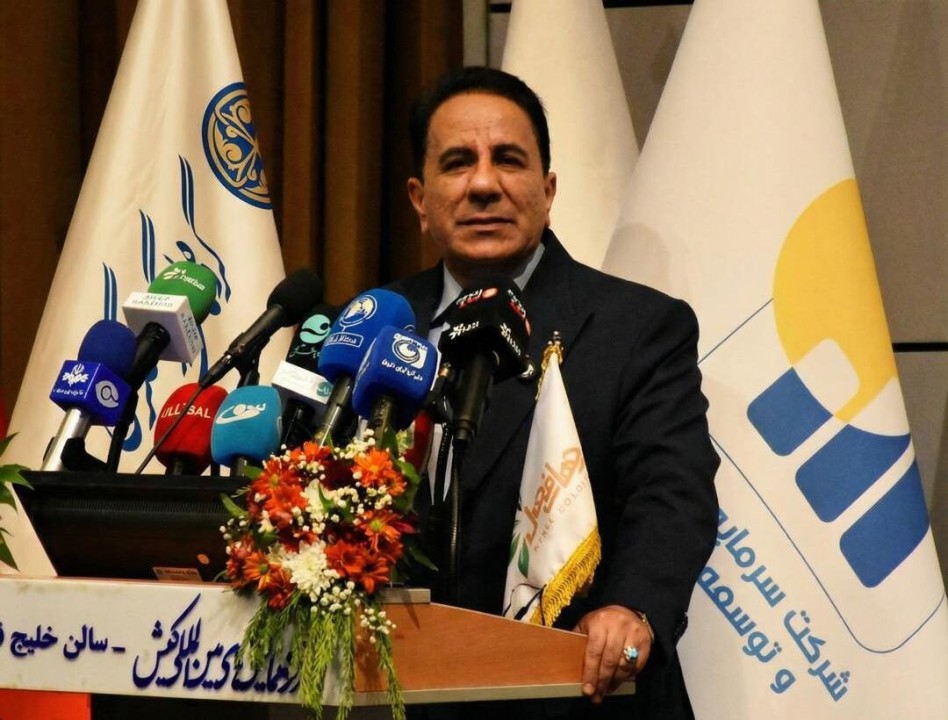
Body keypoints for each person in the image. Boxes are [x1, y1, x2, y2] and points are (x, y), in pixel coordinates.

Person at [389, 66, 719, 720]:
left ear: (547, 190)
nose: (484, 184)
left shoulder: (636, 327)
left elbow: (672, 492)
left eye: (508, 160)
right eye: (458, 163)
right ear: (420, 201)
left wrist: (632, 607)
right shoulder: (373, 324)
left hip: (577, 697)